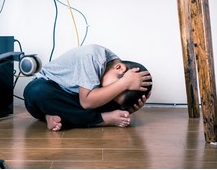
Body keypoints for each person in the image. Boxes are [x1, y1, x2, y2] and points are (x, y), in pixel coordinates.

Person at [23, 44, 152, 131]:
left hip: (72, 102)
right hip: (51, 91)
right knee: (37, 91)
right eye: (116, 86)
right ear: (119, 68)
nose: (113, 92)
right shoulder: (93, 56)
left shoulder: (111, 72)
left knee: (111, 103)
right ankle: (100, 119)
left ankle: (55, 116)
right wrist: (124, 83)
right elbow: (86, 103)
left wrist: (128, 109)